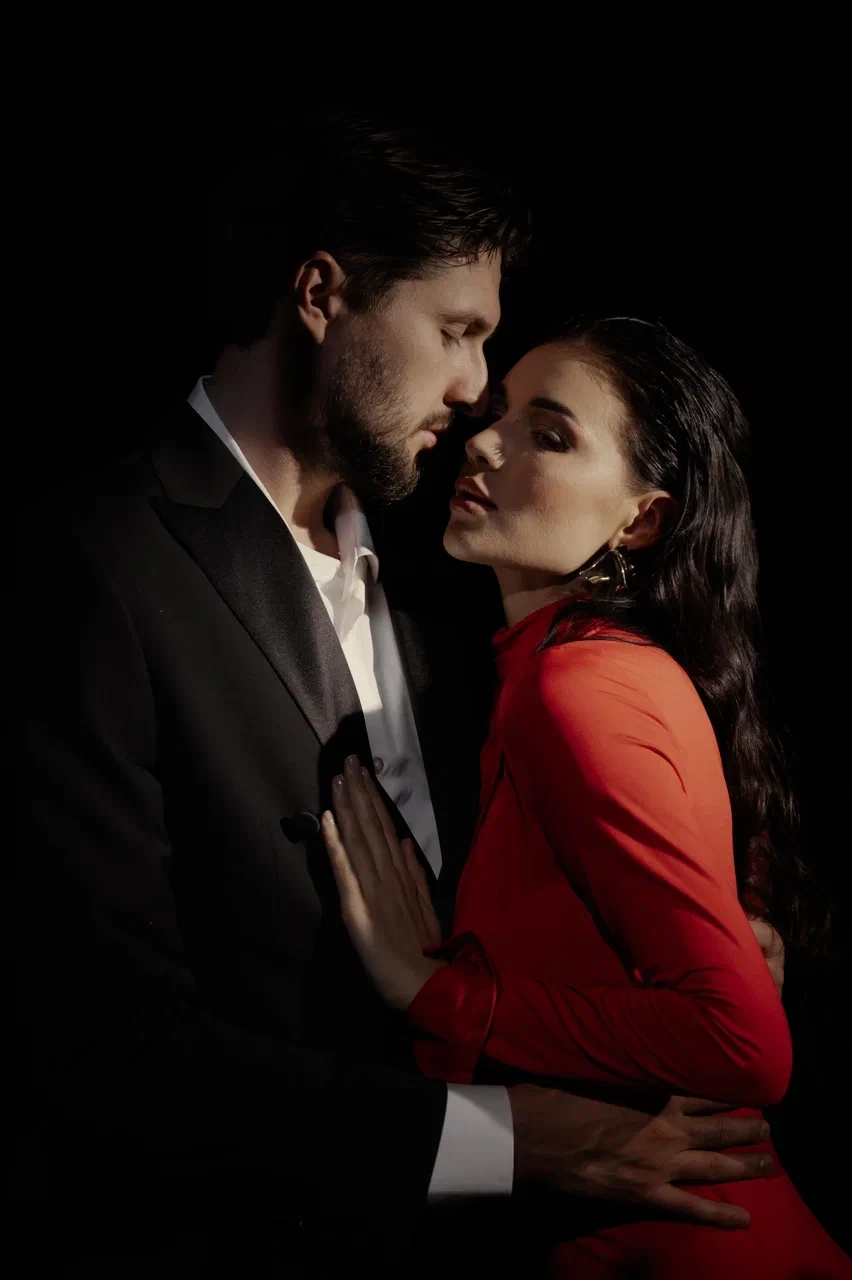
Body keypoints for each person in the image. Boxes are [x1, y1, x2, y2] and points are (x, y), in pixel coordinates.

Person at [15, 114, 778, 1280]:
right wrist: (500, 1140)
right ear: (321, 294)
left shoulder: (468, 576)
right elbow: (104, 1051)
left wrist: (698, 952)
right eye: (457, 331)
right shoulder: (94, 565)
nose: (475, 390)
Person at [321, 318, 852, 1276]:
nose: (485, 443)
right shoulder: (570, 673)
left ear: (640, 520)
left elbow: (742, 1042)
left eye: (549, 435)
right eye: (499, 414)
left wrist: (437, 992)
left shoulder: (579, 691)